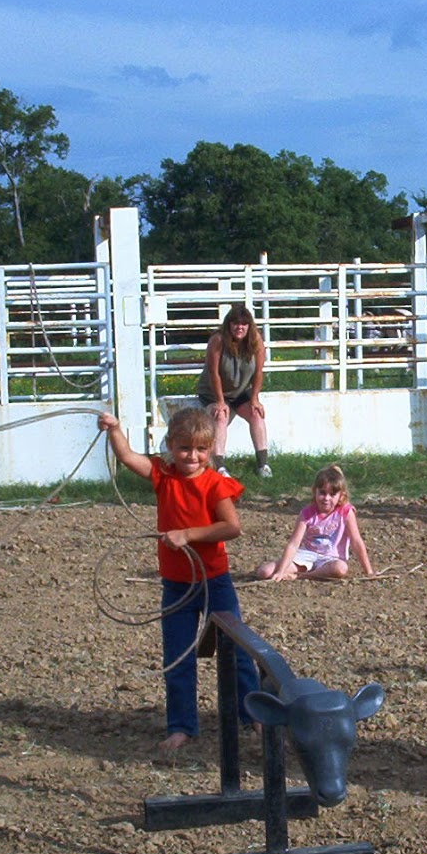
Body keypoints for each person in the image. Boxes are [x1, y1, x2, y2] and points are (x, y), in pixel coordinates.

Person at [98, 406, 259, 751]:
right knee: (178, 654)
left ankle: (253, 715)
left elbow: (232, 527)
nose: (193, 456)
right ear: (170, 445)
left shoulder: (216, 484)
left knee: (238, 652)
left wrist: (187, 534)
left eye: (201, 449)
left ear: (211, 449)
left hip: (214, 580)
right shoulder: (163, 475)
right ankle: (182, 725)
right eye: (185, 448)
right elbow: (127, 457)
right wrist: (113, 428)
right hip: (176, 583)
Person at [256, 464, 376, 581]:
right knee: (264, 572)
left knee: (340, 568)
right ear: (315, 491)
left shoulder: (346, 512)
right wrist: (280, 571)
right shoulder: (307, 513)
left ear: (341, 496)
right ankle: (296, 572)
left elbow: (356, 541)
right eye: (322, 493)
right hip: (307, 556)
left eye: (332, 494)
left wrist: (368, 571)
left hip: (331, 559)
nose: (326, 498)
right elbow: (293, 544)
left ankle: (301, 576)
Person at [196, 303, 272, 478]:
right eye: (236, 323)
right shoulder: (218, 340)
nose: (240, 327)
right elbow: (214, 373)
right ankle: (220, 465)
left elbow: (259, 372)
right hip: (213, 392)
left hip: (241, 391)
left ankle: (263, 464)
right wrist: (220, 401)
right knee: (220, 416)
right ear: (228, 324)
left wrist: (254, 399)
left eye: (244, 324)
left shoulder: (256, 341)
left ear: (249, 326)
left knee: (256, 414)